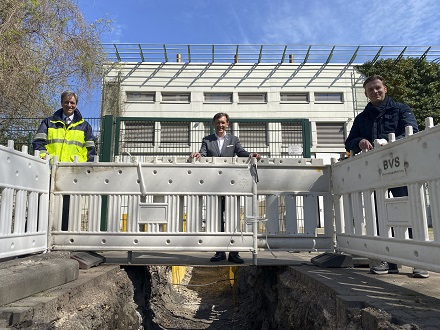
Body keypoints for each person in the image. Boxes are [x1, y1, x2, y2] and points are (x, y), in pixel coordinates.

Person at [345, 75, 428, 278]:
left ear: (385, 88)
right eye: (370, 90)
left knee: (409, 213)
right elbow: (349, 142)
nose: (375, 92)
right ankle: (386, 260)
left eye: (378, 88)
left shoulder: (401, 109)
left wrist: (390, 143)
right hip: (376, 172)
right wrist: (360, 142)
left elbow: (412, 132)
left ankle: (419, 261)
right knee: (379, 215)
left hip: (402, 168)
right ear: (366, 94)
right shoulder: (361, 118)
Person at [191, 112, 261, 264]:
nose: (220, 125)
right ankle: (219, 252)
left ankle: (234, 253)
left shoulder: (233, 140)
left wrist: (251, 154)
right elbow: (203, 154)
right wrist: (197, 155)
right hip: (214, 186)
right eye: (218, 122)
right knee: (216, 219)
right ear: (213, 124)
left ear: (227, 124)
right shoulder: (207, 140)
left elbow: (241, 152)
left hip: (231, 185)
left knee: (233, 219)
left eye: (223, 123)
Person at [33, 91, 96, 230]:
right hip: (49, 171)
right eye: (66, 102)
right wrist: (44, 158)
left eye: (72, 102)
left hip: (72, 172)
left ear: (76, 104)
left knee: (68, 206)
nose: (69, 105)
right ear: (61, 103)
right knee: (43, 203)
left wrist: (85, 168)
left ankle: (64, 234)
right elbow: (38, 142)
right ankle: (38, 232)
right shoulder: (48, 122)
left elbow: (91, 150)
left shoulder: (85, 126)